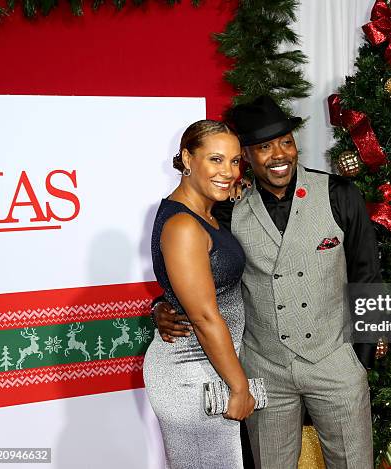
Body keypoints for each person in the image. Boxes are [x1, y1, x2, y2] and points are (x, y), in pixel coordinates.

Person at [154, 95, 379, 469]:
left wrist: (362, 359)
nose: (279, 155)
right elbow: (203, 273)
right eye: (263, 147)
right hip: (264, 369)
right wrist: (162, 306)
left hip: (335, 361)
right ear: (246, 156)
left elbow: (367, 275)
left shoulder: (340, 195)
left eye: (286, 142)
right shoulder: (226, 207)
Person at [143, 120, 255, 469]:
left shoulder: (204, 211)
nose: (229, 172)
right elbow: (205, 317)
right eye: (216, 160)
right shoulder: (183, 225)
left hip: (211, 367)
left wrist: (161, 304)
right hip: (190, 371)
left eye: (235, 161)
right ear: (187, 159)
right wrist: (239, 388)